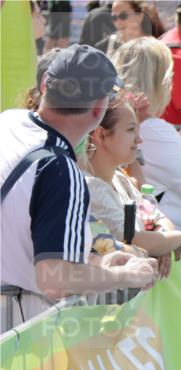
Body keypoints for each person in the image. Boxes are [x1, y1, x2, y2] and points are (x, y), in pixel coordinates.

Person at [1, 45, 158, 331]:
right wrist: (125, 276)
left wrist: (98, 265)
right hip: (15, 329)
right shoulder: (61, 170)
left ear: (46, 84)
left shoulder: (8, 121)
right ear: (99, 110)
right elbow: (55, 279)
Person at [82, 96, 181, 278]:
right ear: (101, 135)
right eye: (131, 130)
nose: (139, 140)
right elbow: (133, 239)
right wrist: (177, 239)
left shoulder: (120, 179)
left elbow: (156, 217)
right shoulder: (92, 188)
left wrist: (163, 242)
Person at [113, 37, 181, 230]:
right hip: (175, 240)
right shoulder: (150, 127)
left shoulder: (126, 121)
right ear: (162, 80)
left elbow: (164, 156)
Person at [97, 1, 164, 56]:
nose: (118, 22)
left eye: (123, 16)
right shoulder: (111, 45)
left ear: (139, 16)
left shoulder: (156, 49)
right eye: (114, 18)